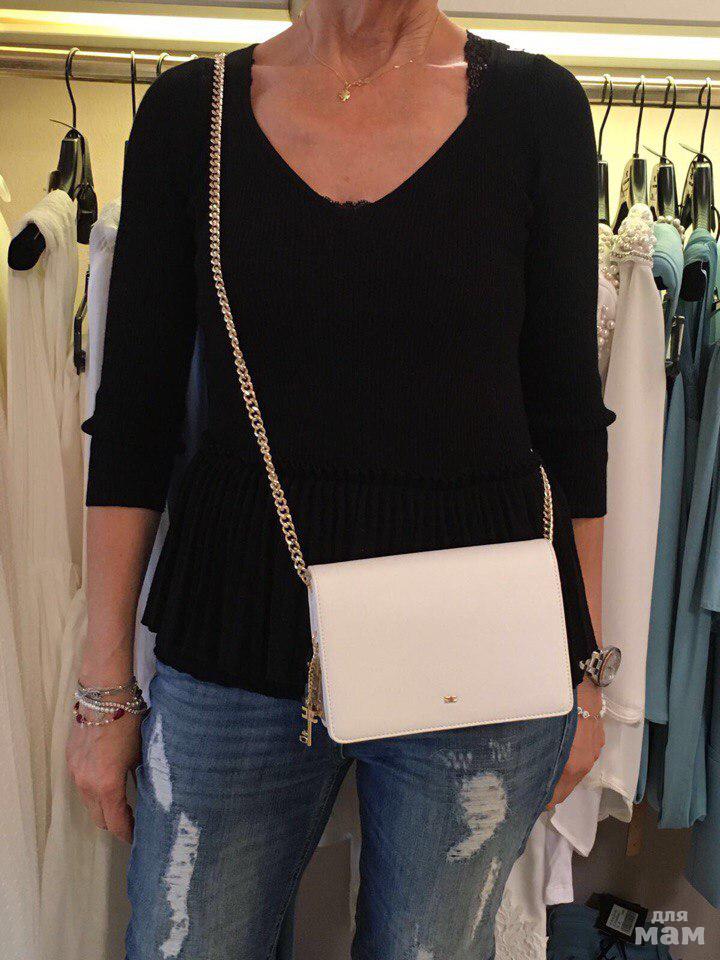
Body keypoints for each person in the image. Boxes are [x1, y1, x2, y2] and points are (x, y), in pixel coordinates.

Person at [67, 2, 616, 957]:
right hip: (238, 630)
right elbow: (134, 422)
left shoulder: (538, 111)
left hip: (480, 653)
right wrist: (103, 690)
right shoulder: (191, 116)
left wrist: (588, 675)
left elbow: (569, 420)